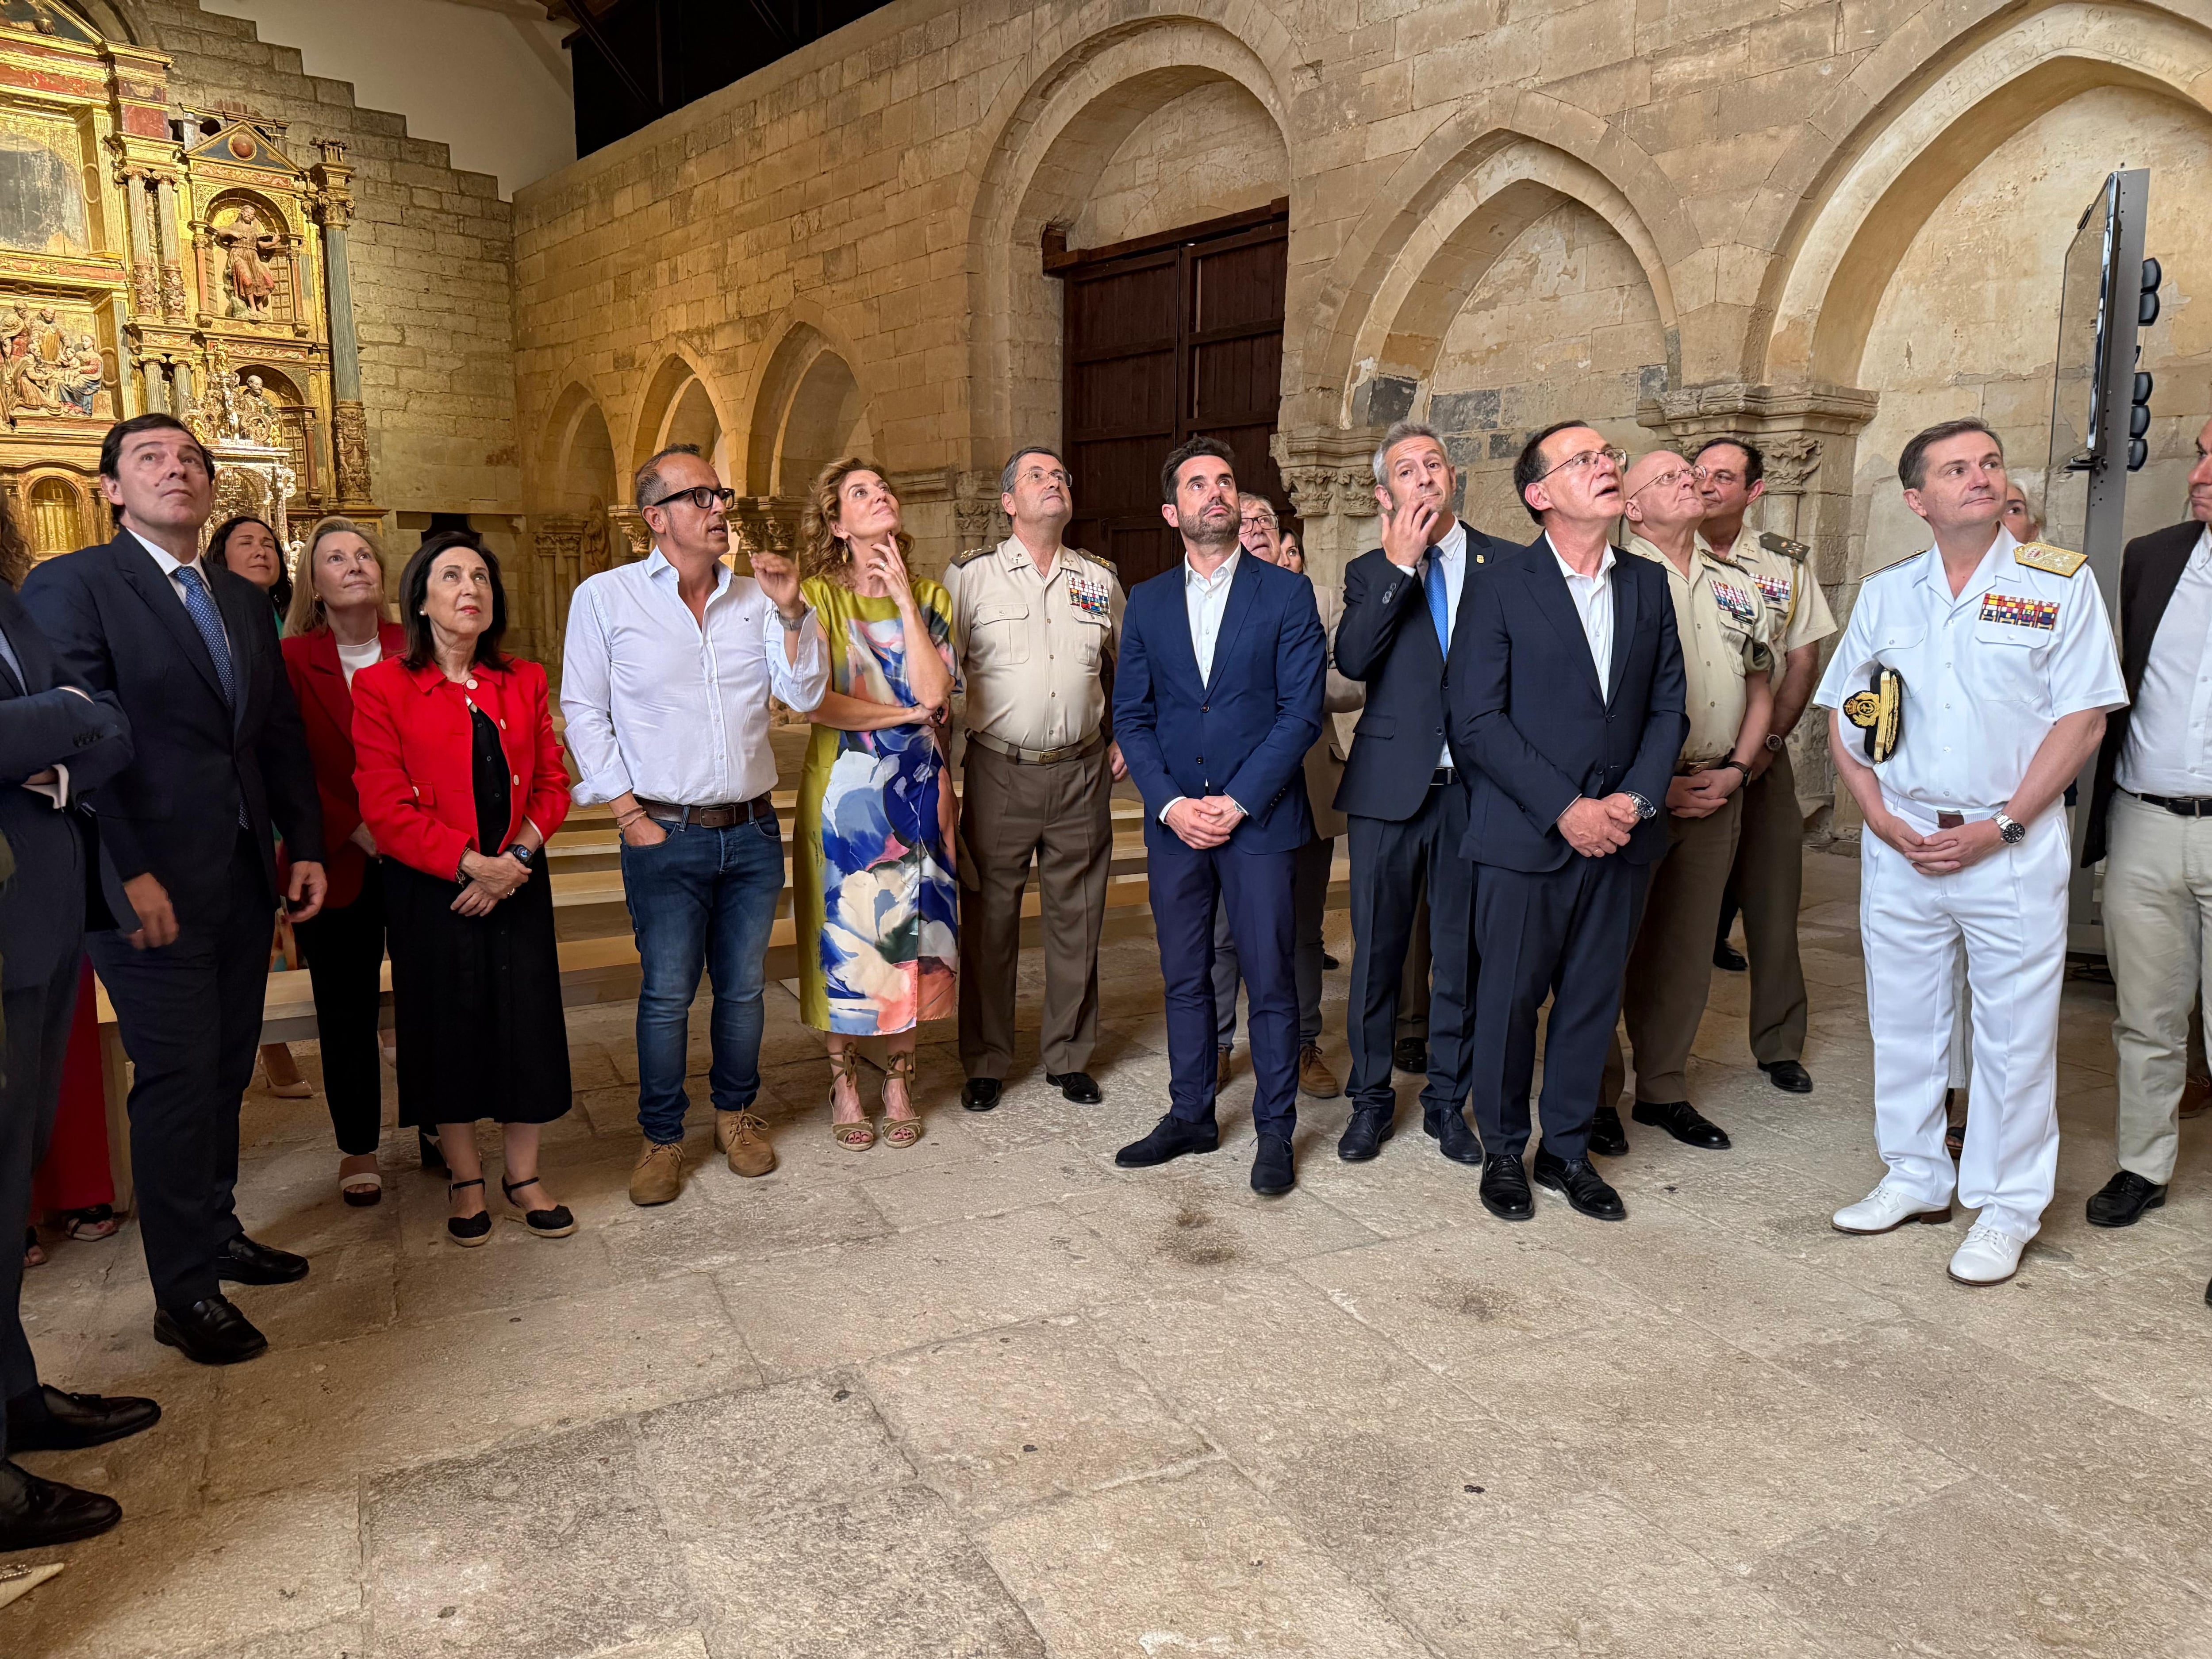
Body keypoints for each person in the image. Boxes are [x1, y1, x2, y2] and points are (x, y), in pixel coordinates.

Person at [23, 413, 328, 1367]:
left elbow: (271, 733)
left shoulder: (238, 597)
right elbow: (76, 738)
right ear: (110, 488)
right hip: (144, 885)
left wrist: (303, 844)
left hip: (241, 876)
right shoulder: (73, 587)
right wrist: (127, 872)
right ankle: (182, 1292)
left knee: (227, 1068)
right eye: (150, 459)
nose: (177, 471)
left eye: (192, 459)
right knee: (176, 1082)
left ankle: (217, 1228)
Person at [1815, 419, 2123, 1286]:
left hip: (2008, 840)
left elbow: (2084, 716)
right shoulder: (1888, 593)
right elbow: (1846, 711)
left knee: (2014, 1033)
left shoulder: (2057, 585)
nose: (1980, 478)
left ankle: (2006, 1204)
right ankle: (1915, 1173)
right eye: (1957, 469)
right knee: (1906, 1020)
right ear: (1918, 500)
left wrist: (2007, 825)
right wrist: (1873, 814)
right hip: (1904, 837)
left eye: (1989, 463)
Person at [562, 445, 826, 1206]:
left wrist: (790, 611)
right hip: (663, 831)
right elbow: (584, 708)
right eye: (700, 497)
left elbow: (803, 693)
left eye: (722, 495)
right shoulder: (607, 598)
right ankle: (662, 1136)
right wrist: (626, 813)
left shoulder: (754, 598)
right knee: (668, 992)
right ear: (655, 517)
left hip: (749, 829)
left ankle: (737, 1115)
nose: (720, 509)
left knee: (744, 990)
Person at [1451, 422, 1686, 1224]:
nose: (1607, 467)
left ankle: (1566, 1151)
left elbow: (1667, 709)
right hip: (1525, 837)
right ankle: (1505, 1149)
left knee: (1592, 1000)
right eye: (1583, 460)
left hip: (1623, 837)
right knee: (1511, 1000)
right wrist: (1566, 808)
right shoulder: (1501, 586)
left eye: (1608, 456)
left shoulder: (1647, 587)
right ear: (1539, 494)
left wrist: (1634, 802)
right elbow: (1476, 720)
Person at [0, 496, 154, 1551]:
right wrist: (59, 720)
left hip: (42, 923)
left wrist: (51, 730)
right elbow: (72, 713)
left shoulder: (9, 606)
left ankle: (13, 1399)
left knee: (13, 1173)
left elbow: (106, 723)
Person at [1111, 437, 1324, 1197]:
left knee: (1268, 979)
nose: (1217, 493)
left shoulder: (1286, 595)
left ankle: (1274, 1130)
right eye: (1199, 484)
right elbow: (1132, 717)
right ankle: (1191, 1113)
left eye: (1227, 482)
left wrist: (1235, 802)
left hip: (1260, 823)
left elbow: (1300, 715)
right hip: (1177, 827)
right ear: (1173, 511)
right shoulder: (1148, 601)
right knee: (1186, 976)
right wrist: (1170, 803)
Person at [351, 531, 576, 1247]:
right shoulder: (382, 686)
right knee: (446, 1030)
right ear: (421, 598)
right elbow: (384, 806)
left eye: (480, 575)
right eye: (450, 576)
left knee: (526, 1025)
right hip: (434, 893)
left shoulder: (525, 680)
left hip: (518, 881)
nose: (469, 587)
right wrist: (468, 864)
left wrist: (514, 860)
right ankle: (465, 1176)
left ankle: (523, 1174)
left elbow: (552, 783)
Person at [1333, 420, 1513, 1163]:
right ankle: (1371, 1101)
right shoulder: (1369, 567)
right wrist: (1401, 567)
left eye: (1435, 463)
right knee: (1377, 953)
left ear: (1452, 477)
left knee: (1462, 955)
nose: (1426, 476)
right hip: (1388, 790)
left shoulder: (1506, 564)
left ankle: (1446, 1102)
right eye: (1408, 469)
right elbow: (1351, 659)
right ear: (1386, 493)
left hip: (1474, 791)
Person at [1595, 451, 1774, 1156]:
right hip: (1633, 794)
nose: (1692, 482)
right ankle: (1598, 1091)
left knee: (1686, 949)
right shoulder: (1612, 580)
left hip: (1716, 786)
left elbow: (1760, 681)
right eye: (1669, 478)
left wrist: (1737, 768)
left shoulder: (1737, 584)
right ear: (1632, 509)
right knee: (1608, 948)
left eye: (1691, 475)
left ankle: (1663, 1088)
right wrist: (1649, 784)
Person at [944, 446, 1122, 1113]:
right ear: (1009, 502)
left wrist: (1126, 734)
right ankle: (988, 1057)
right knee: (989, 918)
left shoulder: (1098, 580)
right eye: (1038, 477)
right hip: (999, 770)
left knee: (1078, 916)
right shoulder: (972, 578)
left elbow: (1134, 664)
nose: (1056, 483)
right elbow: (940, 674)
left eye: (1062, 477)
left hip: (1080, 770)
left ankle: (1069, 1054)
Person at [795, 460, 958, 1149]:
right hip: (842, 798)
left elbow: (938, 693)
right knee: (844, 942)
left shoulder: (931, 597)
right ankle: (843, 1082)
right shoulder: (815, 600)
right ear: (836, 524)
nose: (880, 496)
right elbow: (815, 701)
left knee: (910, 942)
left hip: (919, 794)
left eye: (883, 487)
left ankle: (898, 1078)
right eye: (860, 493)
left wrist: (901, 606)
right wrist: (901, 714)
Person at [2080, 413, 2212, 1239]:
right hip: (2143, 825)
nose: (2199, 474)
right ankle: (2142, 1164)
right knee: (2147, 1015)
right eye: (2202, 455)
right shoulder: (2151, 559)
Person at [1696, 438, 1838, 1092]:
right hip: (1684, 758)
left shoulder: (1783, 564)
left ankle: (1780, 1041)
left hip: (1763, 759)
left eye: (1725, 477)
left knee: (1774, 904)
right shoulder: (1656, 548)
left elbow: (1803, 658)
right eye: (1700, 473)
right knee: (1672, 911)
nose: (1708, 485)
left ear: (1754, 490)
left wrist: (1769, 746)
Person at [1206, 494, 1356, 1101]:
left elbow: (1349, 683)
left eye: (1267, 520)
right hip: (1225, 788)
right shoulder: (1208, 599)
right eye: (1246, 521)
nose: (1258, 527)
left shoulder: (1318, 600)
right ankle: (1216, 1044)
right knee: (1223, 928)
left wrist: (1283, 686)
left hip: (1304, 782)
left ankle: (1302, 1043)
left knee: (1302, 928)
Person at [280, 517, 407, 1206]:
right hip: (334, 860)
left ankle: (438, 1131)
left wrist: (404, 825)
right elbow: (284, 761)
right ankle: (357, 1145)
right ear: (316, 583)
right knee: (346, 1008)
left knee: (428, 1000)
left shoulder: (413, 645)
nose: (354, 564)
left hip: (418, 853)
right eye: (336, 558)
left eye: (364, 554)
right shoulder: (295, 659)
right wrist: (353, 826)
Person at [210, 513, 313, 1100]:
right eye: (245, 542)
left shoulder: (288, 616)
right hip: (244, 790)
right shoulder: (215, 617)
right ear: (218, 557)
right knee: (264, 928)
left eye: (269, 542)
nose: (262, 550)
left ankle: (273, 1036)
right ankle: (269, 1043)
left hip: (287, 777)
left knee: (285, 924)